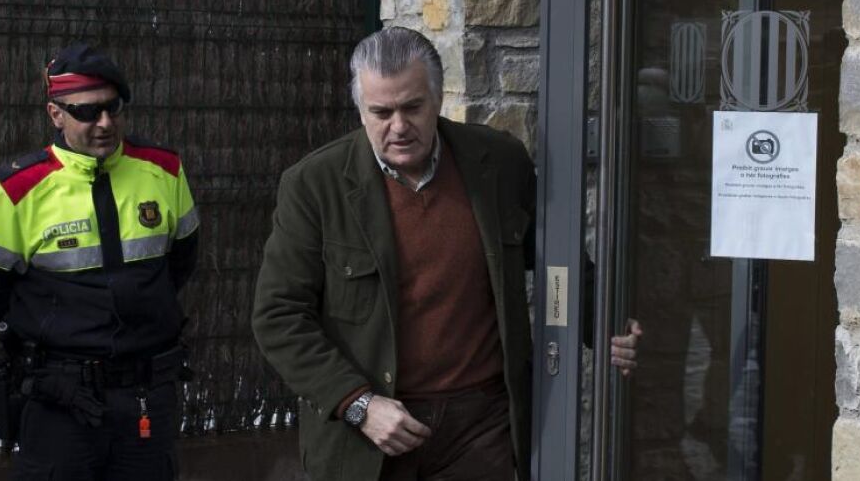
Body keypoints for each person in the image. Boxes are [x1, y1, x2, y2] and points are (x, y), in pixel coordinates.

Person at [252, 27, 642, 481]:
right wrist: (358, 404)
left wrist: (608, 324)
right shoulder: (314, 185)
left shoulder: (499, 162)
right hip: (370, 434)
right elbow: (278, 316)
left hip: (480, 427)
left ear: (438, 98)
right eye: (381, 112)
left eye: (412, 107)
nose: (399, 126)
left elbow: (559, 263)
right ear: (360, 110)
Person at [0, 42, 199, 480]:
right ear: (56, 114)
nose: (104, 123)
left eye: (113, 107)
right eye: (87, 112)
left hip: (146, 395)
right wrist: (29, 339)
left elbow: (181, 260)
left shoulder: (164, 169)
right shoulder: (15, 188)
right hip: (60, 400)